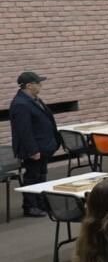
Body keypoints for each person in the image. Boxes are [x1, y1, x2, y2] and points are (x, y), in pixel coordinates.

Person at [9, 71, 60, 217]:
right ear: (29, 85)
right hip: (33, 149)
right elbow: (24, 130)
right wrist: (32, 150)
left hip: (43, 147)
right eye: (38, 83)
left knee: (41, 175)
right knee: (32, 177)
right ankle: (30, 206)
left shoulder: (34, 99)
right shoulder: (20, 104)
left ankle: (41, 203)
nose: (41, 85)